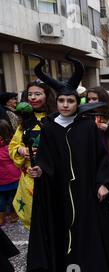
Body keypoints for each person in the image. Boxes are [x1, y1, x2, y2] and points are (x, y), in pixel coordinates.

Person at [26, 52, 109, 272]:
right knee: (65, 237)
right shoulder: (48, 128)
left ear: (76, 102)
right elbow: (45, 159)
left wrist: (103, 183)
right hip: (60, 194)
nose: (66, 105)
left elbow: (102, 158)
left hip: (86, 193)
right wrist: (38, 169)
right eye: (61, 101)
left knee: (89, 238)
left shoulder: (87, 127)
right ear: (56, 102)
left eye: (70, 101)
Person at [8, 80, 56, 229]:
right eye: (30, 94)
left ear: (47, 96)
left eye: (37, 94)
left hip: (51, 176)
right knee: (33, 219)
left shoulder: (55, 118)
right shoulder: (24, 121)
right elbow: (13, 146)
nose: (33, 98)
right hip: (29, 178)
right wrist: (22, 150)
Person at [0, 120, 21, 226]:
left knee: (2, 198)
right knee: (13, 197)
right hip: (14, 178)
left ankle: (1, 216)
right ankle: (14, 214)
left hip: (2, 180)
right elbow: (17, 159)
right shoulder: (10, 147)